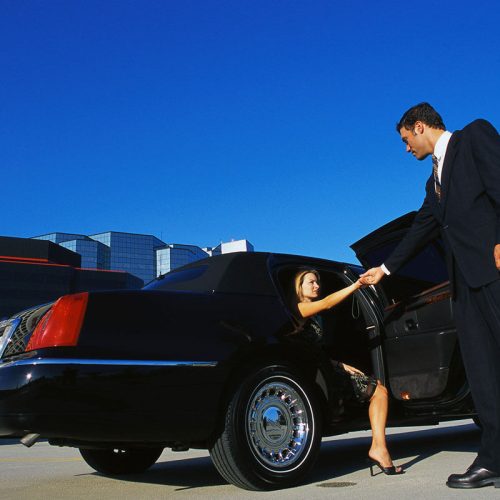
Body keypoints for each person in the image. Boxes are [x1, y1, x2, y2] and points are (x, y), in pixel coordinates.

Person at [360, 102, 500, 489]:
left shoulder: (474, 137)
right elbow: (422, 228)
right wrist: (385, 269)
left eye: (406, 140)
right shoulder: (432, 182)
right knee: (483, 373)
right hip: (464, 286)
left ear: (419, 126)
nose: (407, 149)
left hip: (494, 270)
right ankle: (493, 459)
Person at [293, 269, 403, 476]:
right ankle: (379, 448)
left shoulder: (316, 317)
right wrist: (355, 285)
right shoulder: (299, 308)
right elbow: (326, 303)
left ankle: (380, 448)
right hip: (315, 374)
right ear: (299, 288)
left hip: (324, 367)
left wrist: (338, 364)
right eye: (311, 283)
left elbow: (314, 349)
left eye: (317, 282)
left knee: (379, 390)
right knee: (380, 391)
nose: (316, 286)